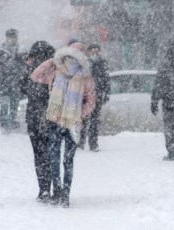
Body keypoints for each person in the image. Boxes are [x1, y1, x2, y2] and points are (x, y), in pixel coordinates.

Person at [31, 41, 96, 207]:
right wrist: (52, 61)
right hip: (63, 123)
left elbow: (91, 102)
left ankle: (61, 193)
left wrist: (77, 114)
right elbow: (36, 75)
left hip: (63, 123)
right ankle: (62, 193)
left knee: (59, 159)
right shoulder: (61, 72)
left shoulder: (73, 74)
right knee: (63, 160)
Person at [20, 41, 55, 202]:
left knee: (39, 155)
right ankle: (56, 187)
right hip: (52, 117)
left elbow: (21, 89)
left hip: (34, 117)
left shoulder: (32, 72)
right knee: (51, 154)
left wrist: (27, 67)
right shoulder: (56, 69)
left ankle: (43, 189)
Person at [0, 28, 23, 133]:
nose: (13, 39)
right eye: (12, 37)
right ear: (7, 37)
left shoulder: (21, 50)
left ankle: (12, 121)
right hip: (3, 81)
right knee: (4, 102)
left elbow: (26, 64)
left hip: (16, 81)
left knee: (14, 103)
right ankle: (4, 122)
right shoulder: (0, 50)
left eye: (15, 37)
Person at [78, 43, 110, 151]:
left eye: (97, 51)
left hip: (97, 95)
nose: (94, 53)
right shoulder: (84, 63)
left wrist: (106, 93)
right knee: (84, 119)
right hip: (86, 96)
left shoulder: (102, 63)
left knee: (95, 121)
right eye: (92, 51)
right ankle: (81, 142)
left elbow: (106, 79)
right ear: (88, 51)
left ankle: (93, 143)